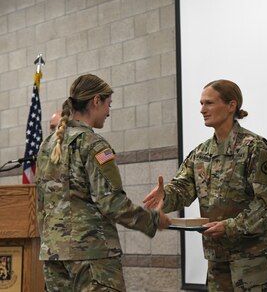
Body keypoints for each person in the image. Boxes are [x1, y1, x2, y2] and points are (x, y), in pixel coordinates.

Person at [144, 79, 267, 291]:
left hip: (253, 262)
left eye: (208, 103)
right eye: (201, 103)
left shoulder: (254, 148)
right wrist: (167, 196)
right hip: (217, 262)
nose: (202, 110)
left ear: (231, 105)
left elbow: (266, 204)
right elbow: (183, 188)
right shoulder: (200, 153)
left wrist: (230, 227)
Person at [35, 74, 171, 292]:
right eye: (109, 104)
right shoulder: (94, 144)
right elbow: (112, 203)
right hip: (92, 257)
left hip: (54, 256)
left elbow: (41, 203)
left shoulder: (47, 146)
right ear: (96, 101)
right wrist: (153, 219)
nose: (109, 111)